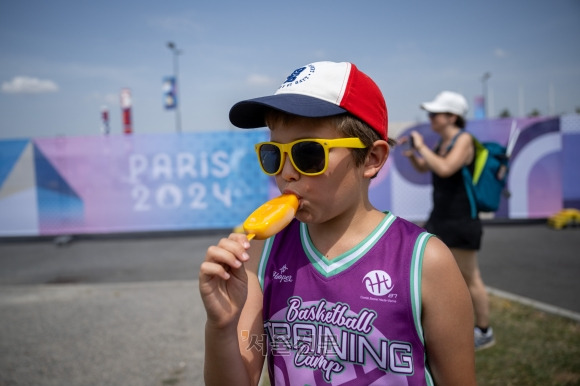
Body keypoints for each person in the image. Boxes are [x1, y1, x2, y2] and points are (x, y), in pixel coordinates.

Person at [199, 62, 476, 385]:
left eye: (308, 154)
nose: (286, 172)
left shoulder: (425, 260)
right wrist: (221, 327)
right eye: (274, 154)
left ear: (372, 159)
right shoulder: (260, 252)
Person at [402, 90, 495, 351]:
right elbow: (428, 168)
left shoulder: (463, 139)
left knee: (470, 276)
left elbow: (445, 168)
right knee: (426, 271)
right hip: (440, 217)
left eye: (435, 113)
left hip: (462, 218)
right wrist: (415, 158)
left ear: (452, 116)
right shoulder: (441, 143)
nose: (430, 117)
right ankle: (435, 325)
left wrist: (421, 147)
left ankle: (485, 331)